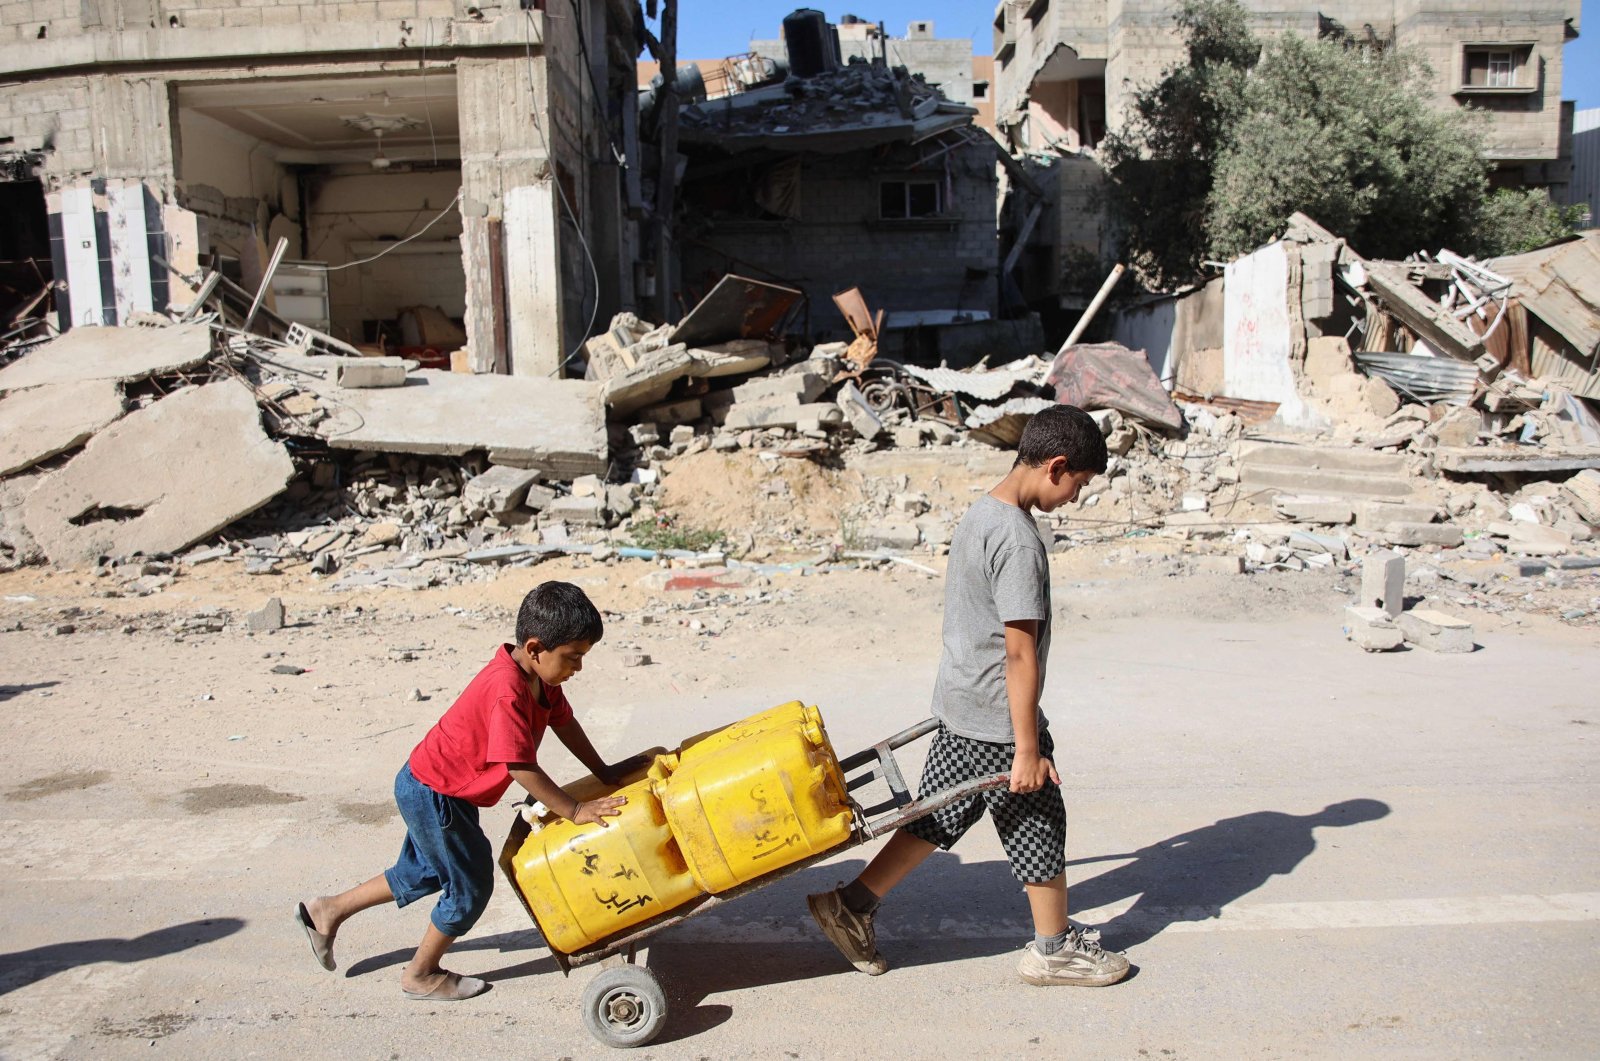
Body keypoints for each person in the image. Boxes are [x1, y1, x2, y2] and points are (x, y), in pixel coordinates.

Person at [807, 404, 1129, 987]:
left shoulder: (984, 512)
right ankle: (1053, 949)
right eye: (1078, 485)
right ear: (1056, 467)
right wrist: (1027, 749)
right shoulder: (1020, 541)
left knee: (940, 813)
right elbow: (1019, 652)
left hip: (961, 701)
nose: (1076, 498)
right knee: (1038, 819)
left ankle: (850, 904)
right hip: (999, 717)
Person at [295, 581, 648, 1001]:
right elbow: (519, 767)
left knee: (425, 871)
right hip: (434, 792)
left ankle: (327, 910)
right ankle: (420, 974)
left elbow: (564, 723)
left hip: (437, 786)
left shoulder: (542, 681)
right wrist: (574, 811)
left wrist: (605, 771)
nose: (579, 667)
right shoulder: (507, 690)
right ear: (535, 648)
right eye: (573, 657)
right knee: (470, 887)